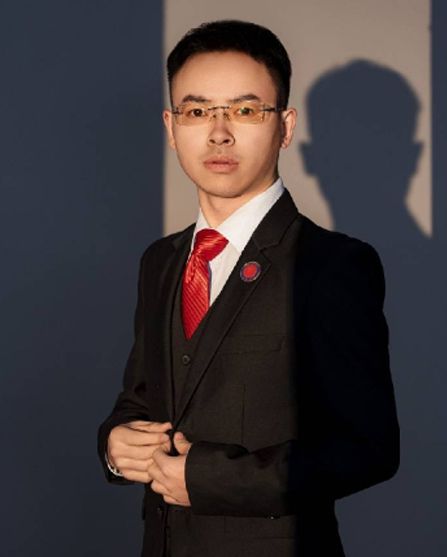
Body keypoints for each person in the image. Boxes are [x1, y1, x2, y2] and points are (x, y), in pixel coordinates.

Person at [97, 20, 399, 557]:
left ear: (285, 126)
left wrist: (212, 478)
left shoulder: (332, 264)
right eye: (197, 112)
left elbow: (368, 448)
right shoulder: (161, 261)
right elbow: (141, 398)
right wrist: (115, 445)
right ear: (171, 127)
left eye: (244, 110)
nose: (219, 133)